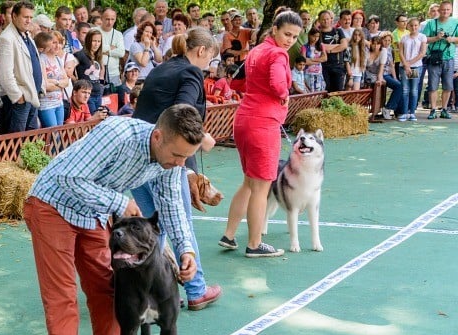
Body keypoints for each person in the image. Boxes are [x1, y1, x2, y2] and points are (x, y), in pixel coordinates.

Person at [23, 104, 202, 335]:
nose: (181, 163)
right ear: (158, 136)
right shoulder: (117, 134)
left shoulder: (170, 160)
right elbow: (67, 178)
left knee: (110, 292)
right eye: (177, 155)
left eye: (186, 157)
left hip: (91, 212)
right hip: (51, 205)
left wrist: (186, 249)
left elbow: (172, 203)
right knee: (62, 301)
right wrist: (120, 202)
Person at [131, 27, 222, 311]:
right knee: (180, 221)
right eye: (210, 58)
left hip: (140, 153)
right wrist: (202, 138)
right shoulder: (191, 72)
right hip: (165, 155)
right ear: (202, 51)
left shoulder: (163, 68)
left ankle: (149, 292)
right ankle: (196, 289)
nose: (209, 66)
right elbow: (183, 111)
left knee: (151, 228)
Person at [221, 11, 303, 259]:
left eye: (295, 37)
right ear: (275, 30)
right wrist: (284, 94)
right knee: (261, 186)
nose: (290, 40)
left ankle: (229, 234)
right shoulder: (278, 54)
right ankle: (254, 243)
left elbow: (235, 82)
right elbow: (279, 85)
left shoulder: (256, 50)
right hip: (263, 124)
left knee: (249, 182)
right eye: (287, 34)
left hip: (244, 119)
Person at [0, 1, 42, 134]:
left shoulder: (26, 35)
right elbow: (4, 74)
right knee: (14, 143)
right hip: (17, 100)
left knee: (28, 141)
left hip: (31, 96)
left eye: (31, 17)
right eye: (25, 17)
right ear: (14, 16)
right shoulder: (6, 38)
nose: (29, 21)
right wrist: (18, 97)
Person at [422, 0, 458, 119]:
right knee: (433, 85)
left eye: (447, 9)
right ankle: (433, 109)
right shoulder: (431, 23)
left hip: (449, 58)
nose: (445, 12)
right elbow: (424, 39)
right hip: (434, 58)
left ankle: (444, 109)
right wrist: (437, 38)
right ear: (439, 10)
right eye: (443, 9)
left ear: (451, 10)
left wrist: (452, 39)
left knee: (448, 86)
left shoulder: (455, 22)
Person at [36, 30, 70, 126]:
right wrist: (60, 84)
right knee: (53, 133)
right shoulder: (42, 59)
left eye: (59, 43)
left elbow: (66, 82)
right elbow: (45, 86)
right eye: (54, 42)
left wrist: (55, 82)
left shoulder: (58, 59)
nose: (57, 46)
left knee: (59, 133)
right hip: (46, 104)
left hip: (59, 102)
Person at [399, 17, 427, 121]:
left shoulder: (422, 37)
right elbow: (401, 52)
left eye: (416, 25)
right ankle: (405, 112)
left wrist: (410, 63)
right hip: (404, 67)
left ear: (419, 26)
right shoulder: (404, 38)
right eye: (411, 25)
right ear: (408, 26)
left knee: (414, 90)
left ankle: (412, 112)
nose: (413, 27)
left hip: (415, 66)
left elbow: (422, 53)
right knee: (405, 90)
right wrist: (406, 65)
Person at [75, 29, 105, 115]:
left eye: (99, 41)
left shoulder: (98, 55)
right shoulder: (81, 55)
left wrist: (101, 85)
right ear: (88, 41)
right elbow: (69, 70)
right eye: (94, 41)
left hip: (98, 92)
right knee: (92, 118)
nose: (96, 44)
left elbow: (101, 72)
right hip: (88, 95)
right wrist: (77, 82)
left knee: (100, 118)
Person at [318, 10, 349, 91]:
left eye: (328, 19)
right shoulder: (318, 34)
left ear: (331, 19)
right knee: (326, 92)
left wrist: (331, 50)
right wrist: (339, 45)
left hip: (338, 66)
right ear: (319, 20)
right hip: (324, 67)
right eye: (323, 19)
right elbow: (321, 47)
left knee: (338, 92)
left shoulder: (338, 31)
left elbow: (345, 45)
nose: (326, 21)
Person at [97, 7, 126, 86]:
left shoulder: (118, 34)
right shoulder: (94, 31)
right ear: (101, 18)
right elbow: (94, 48)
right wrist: (110, 47)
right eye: (107, 19)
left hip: (114, 74)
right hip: (97, 73)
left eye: (112, 19)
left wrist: (107, 52)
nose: (110, 22)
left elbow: (121, 52)